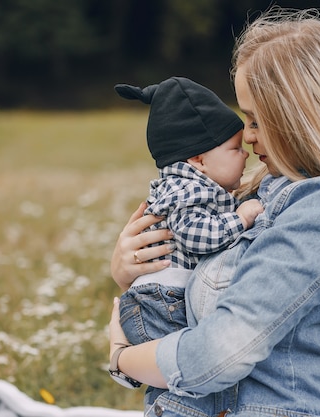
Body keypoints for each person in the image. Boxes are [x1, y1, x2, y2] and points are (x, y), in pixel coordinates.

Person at [108, 7, 320, 417]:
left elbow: (218, 353)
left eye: (256, 121)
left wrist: (122, 357)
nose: (246, 138)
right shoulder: (259, 193)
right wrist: (131, 273)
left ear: (302, 120)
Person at [114, 77, 264, 348]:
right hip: (163, 303)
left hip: (159, 301)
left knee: (181, 370)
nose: (246, 155)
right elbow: (195, 236)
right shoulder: (189, 191)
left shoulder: (190, 187)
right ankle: (129, 363)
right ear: (199, 160)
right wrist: (240, 219)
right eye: (235, 149)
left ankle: (130, 363)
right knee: (191, 361)